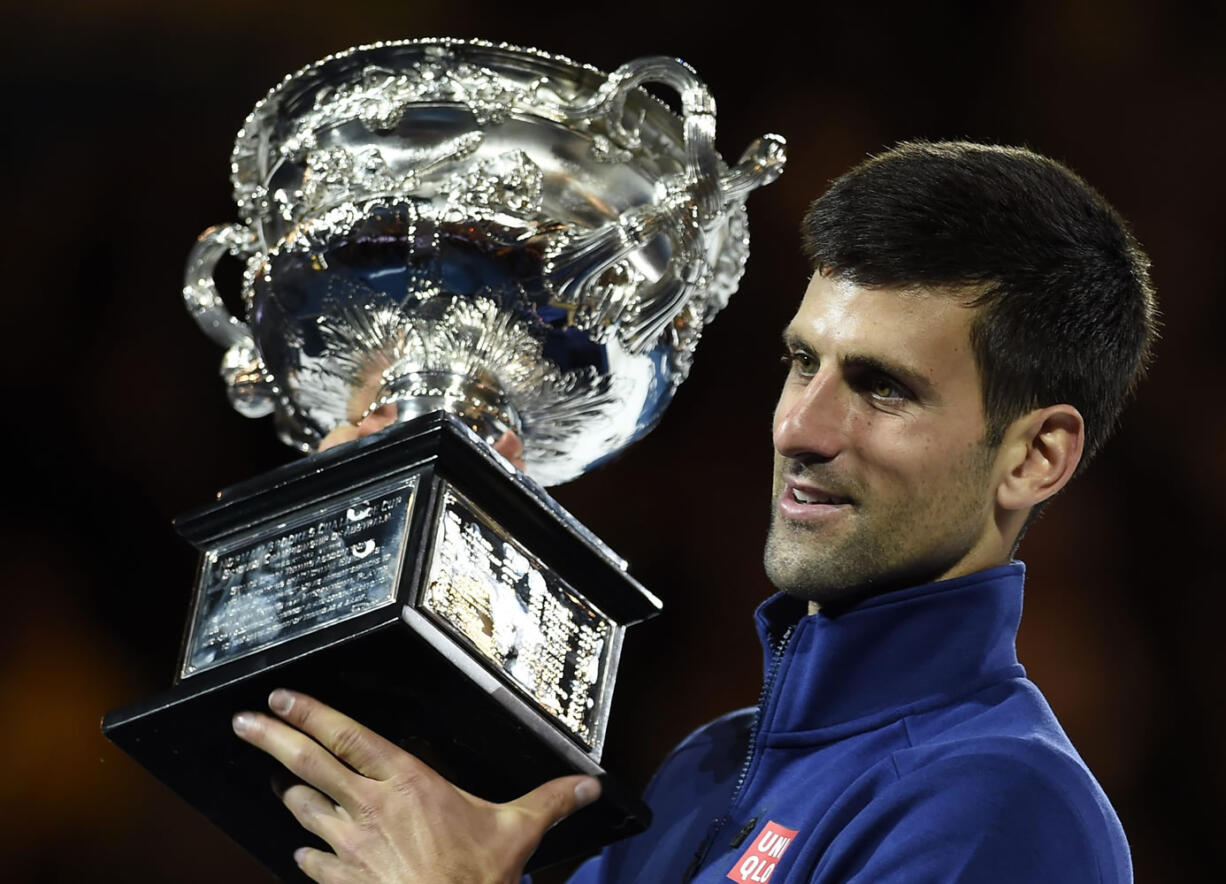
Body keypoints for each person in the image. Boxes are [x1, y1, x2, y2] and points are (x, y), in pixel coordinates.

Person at [229, 140, 1156, 883]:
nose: (801, 426)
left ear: (1036, 457)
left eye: (882, 388)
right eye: (802, 362)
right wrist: (373, 551)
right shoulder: (704, 771)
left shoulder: (1003, 807)